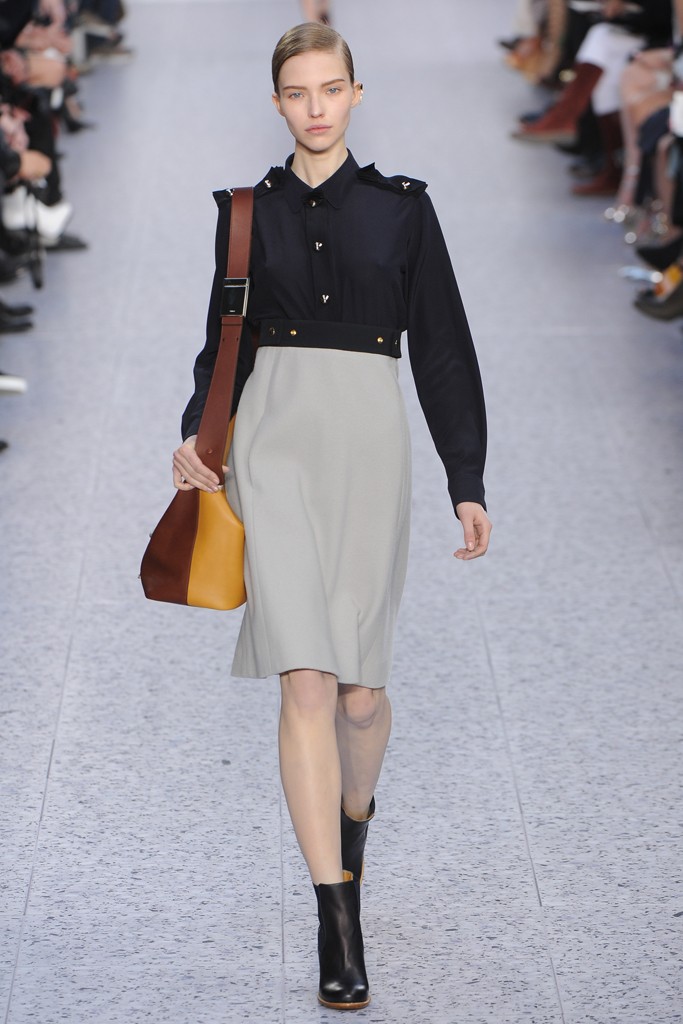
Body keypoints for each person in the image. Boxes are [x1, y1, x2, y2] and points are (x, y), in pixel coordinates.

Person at [173, 23, 491, 1011]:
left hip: (367, 450)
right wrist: (195, 435)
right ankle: (334, 916)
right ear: (276, 102)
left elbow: (441, 345)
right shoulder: (244, 214)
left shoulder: (403, 211)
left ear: (356, 93)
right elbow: (222, 346)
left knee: (359, 694)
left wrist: (466, 477)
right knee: (304, 678)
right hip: (273, 449)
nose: (314, 107)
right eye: (296, 92)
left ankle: (352, 821)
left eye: (329, 88)